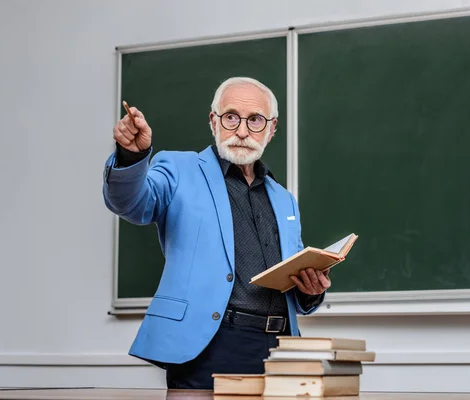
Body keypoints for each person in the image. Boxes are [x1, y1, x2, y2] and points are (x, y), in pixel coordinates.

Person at [102, 77, 331, 389]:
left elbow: (292, 279)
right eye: (231, 117)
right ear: (214, 121)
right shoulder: (178, 169)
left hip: (280, 349)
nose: (241, 131)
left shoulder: (284, 199)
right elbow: (131, 203)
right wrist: (131, 157)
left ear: (271, 129)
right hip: (207, 345)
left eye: (255, 120)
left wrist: (310, 289)